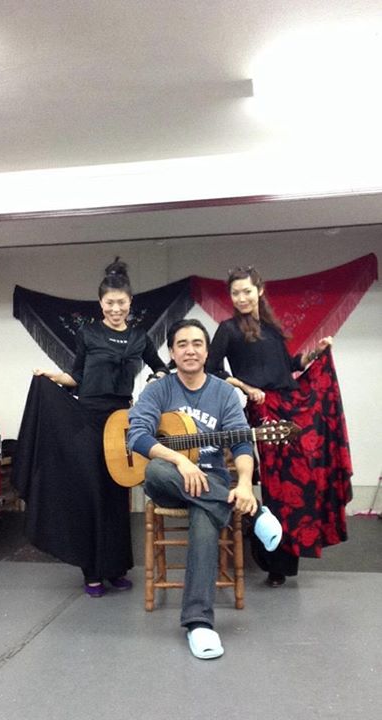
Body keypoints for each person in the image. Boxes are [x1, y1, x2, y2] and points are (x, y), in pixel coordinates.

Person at [13, 258, 168, 597]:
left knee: (116, 495)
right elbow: (77, 376)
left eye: (121, 302)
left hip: (121, 423)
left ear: (130, 303)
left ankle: (115, 569)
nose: (116, 308)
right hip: (87, 420)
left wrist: (154, 380)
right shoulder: (89, 333)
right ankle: (92, 572)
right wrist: (53, 377)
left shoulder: (139, 337)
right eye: (109, 303)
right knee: (90, 495)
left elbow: (161, 368)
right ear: (101, 303)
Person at [206, 265, 353, 587]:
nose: (241, 298)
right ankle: (274, 560)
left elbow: (287, 367)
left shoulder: (272, 328)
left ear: (259, 290)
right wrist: (245, 388)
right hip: (263, 411)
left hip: (290, 406)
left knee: (301, 481)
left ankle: (288, 558)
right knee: (279, 485)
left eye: (246, 291)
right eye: (235, 293)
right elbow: (212, 369)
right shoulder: (228, 329)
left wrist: (315, 354)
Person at [127, 318, 257, 660]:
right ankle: (253, 514)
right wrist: (180, 462)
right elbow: (137, 435)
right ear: (172, 352)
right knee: (155, 469)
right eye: (182, 344)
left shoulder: (224, 393)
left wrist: (245, 484)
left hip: (212, 479)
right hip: (169, 479)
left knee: (204, 516)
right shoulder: (158, 390)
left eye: (197, 343)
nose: (190, 350)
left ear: (207, 351)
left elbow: (242, 443)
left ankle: (199, 624)